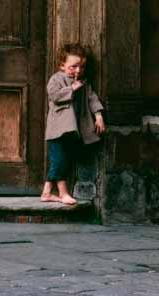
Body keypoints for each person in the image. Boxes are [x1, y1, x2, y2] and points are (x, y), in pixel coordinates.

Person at [42, 43, 106, 205]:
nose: (78, 71)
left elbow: (92, 98)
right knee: (59, 161)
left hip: (72, 130)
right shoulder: (57, 79)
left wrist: (98, 116)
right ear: (62, 65)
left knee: (62, 159)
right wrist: (71, 88)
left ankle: (47, 192)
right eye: (73, 67)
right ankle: (63, 193)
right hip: (57, 130)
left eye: (81, 67)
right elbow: (54, 95)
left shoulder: (84, 83)